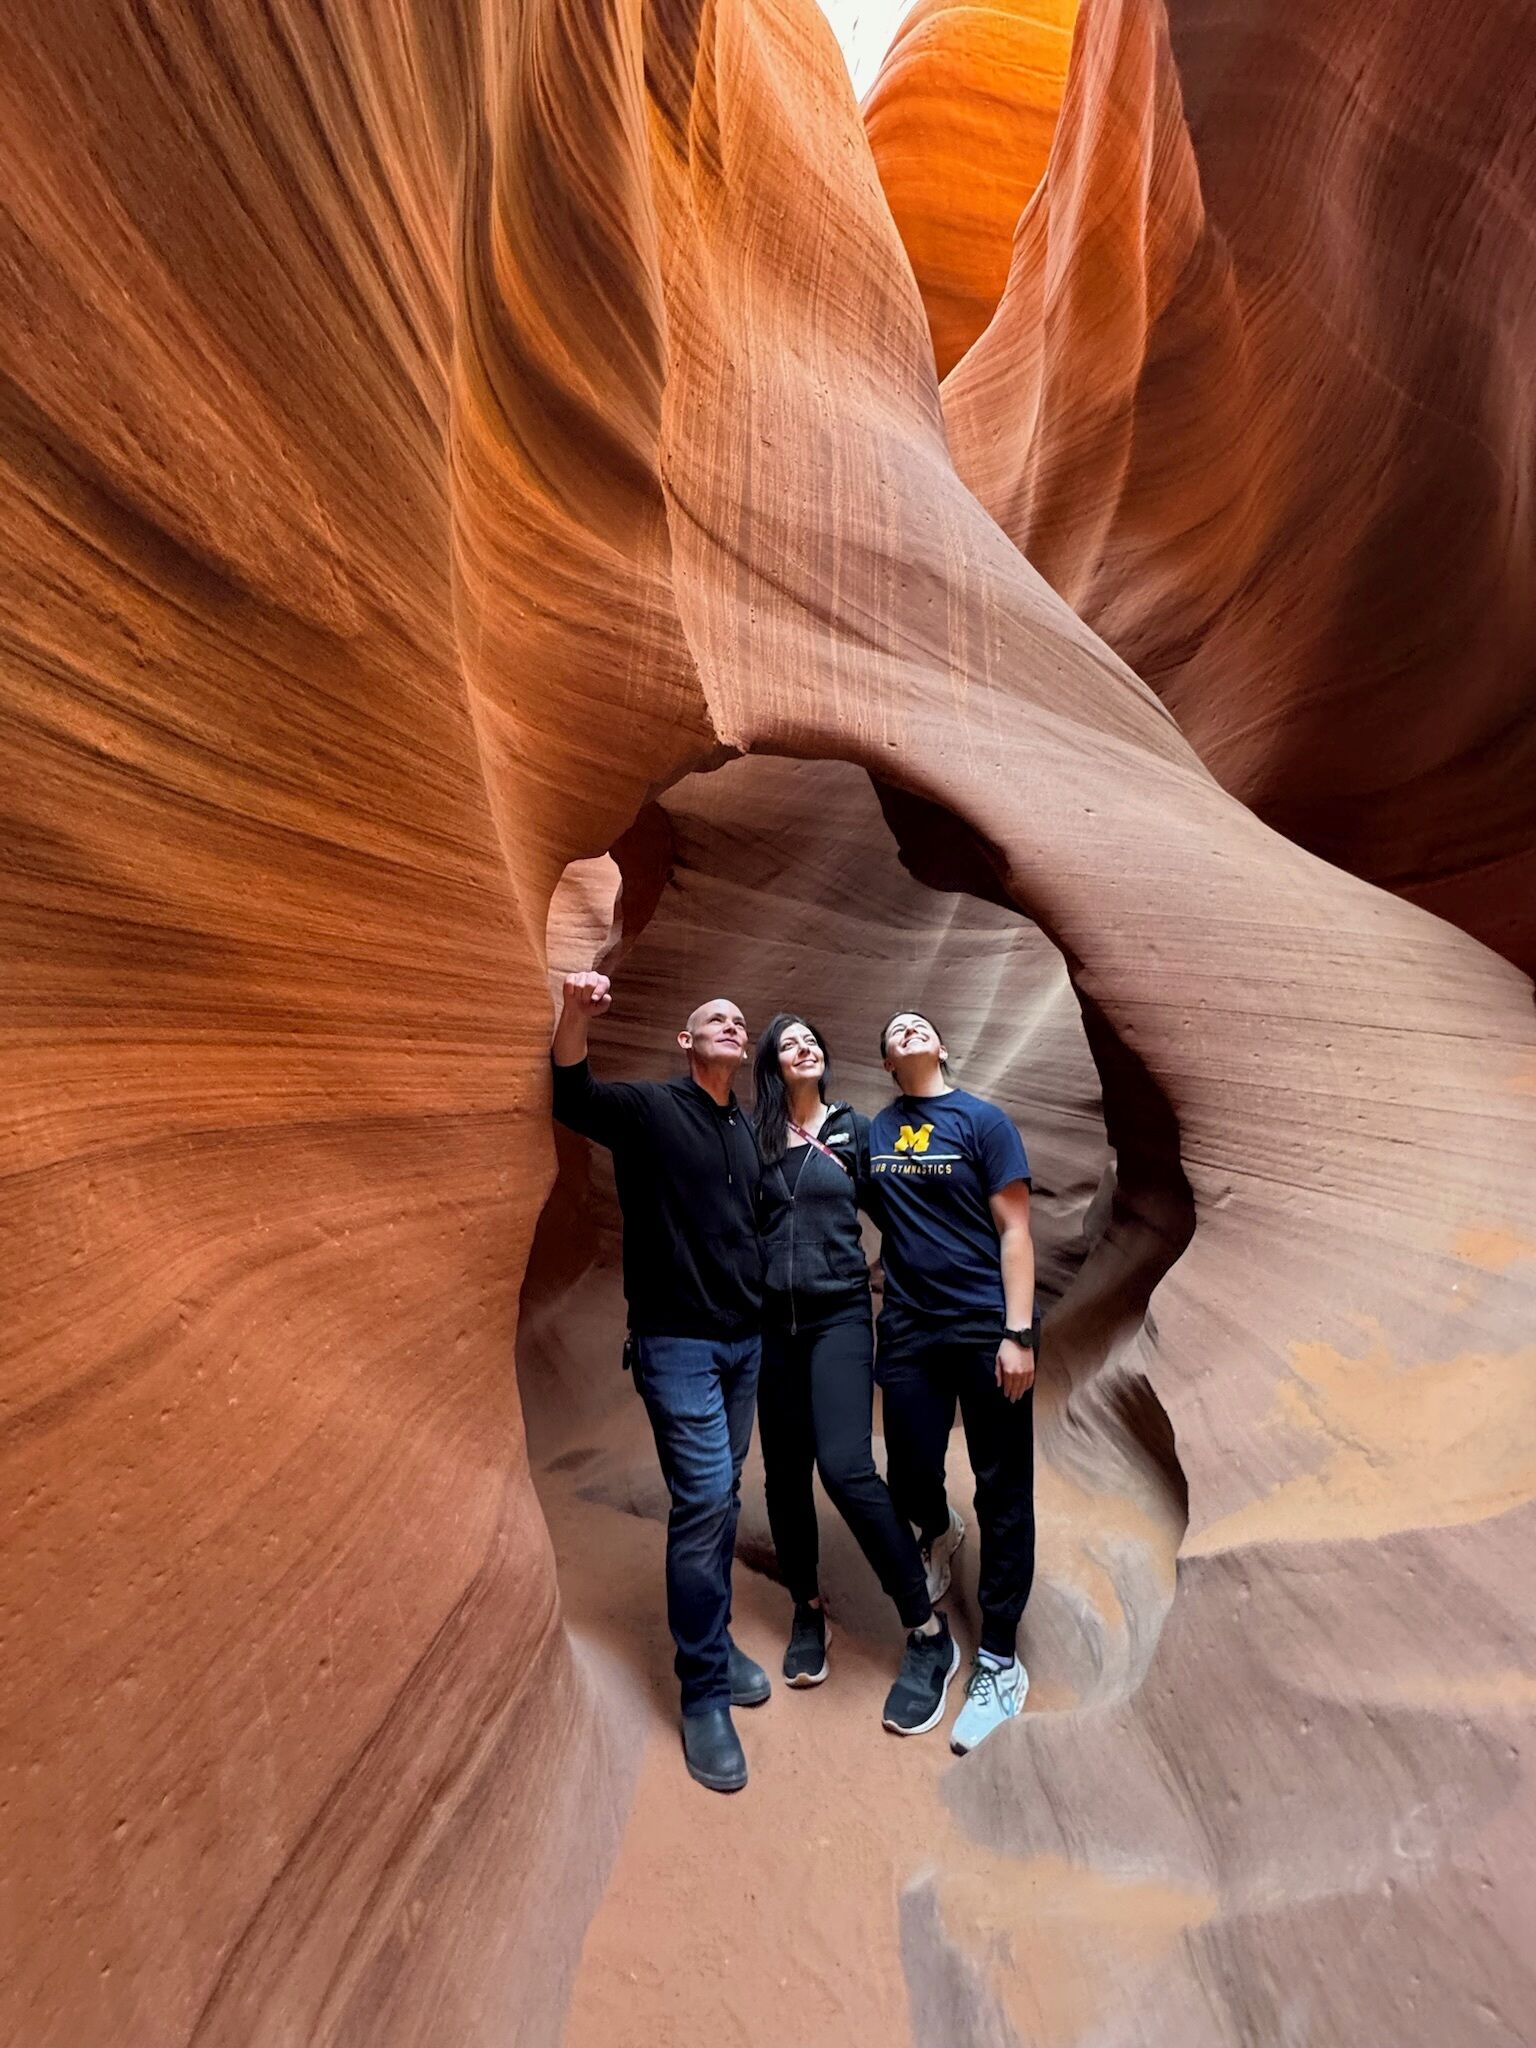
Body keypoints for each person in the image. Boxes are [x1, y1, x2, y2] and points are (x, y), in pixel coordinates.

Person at [550, 969, 770, 1794]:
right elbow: (573, 1097)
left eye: (739, 1019)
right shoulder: (652, 1110)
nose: (732, 1022)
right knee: (707, 1499)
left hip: (742, 1345)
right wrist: (574, 1014)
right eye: (715, 1015)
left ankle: (712, 1639)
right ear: (686, 1043)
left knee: (721, 1502)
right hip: (677, 1345)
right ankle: (703, 1691)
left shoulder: (744, 1128)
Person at [752, 1014, 959, 1737]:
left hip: (839, 1319)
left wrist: (891, 1269)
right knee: (782, 1475)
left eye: (812, 1038)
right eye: (787, 1044)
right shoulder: (754, 1141)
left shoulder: (857, 1131)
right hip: (772, 1329)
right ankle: (807, 1611)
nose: (804, 1046)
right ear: (772, 1067)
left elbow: (896, 1211)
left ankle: (926, 1632)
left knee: (844, 1467)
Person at [862, 1010, 1039, 1754]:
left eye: (918, 1025)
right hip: (907, 1326)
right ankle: (937, 1528)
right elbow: (878, 1210)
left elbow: (1015, 1230)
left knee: (1002, 1483)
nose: (905, 1029)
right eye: (893, 1030)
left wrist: (1018, 1332)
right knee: (905, 1463)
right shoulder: (876, 1131)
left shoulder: (983, 1122)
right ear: (887, 1061)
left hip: (980, 1323)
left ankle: (997, 1656)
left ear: (939, 1047)